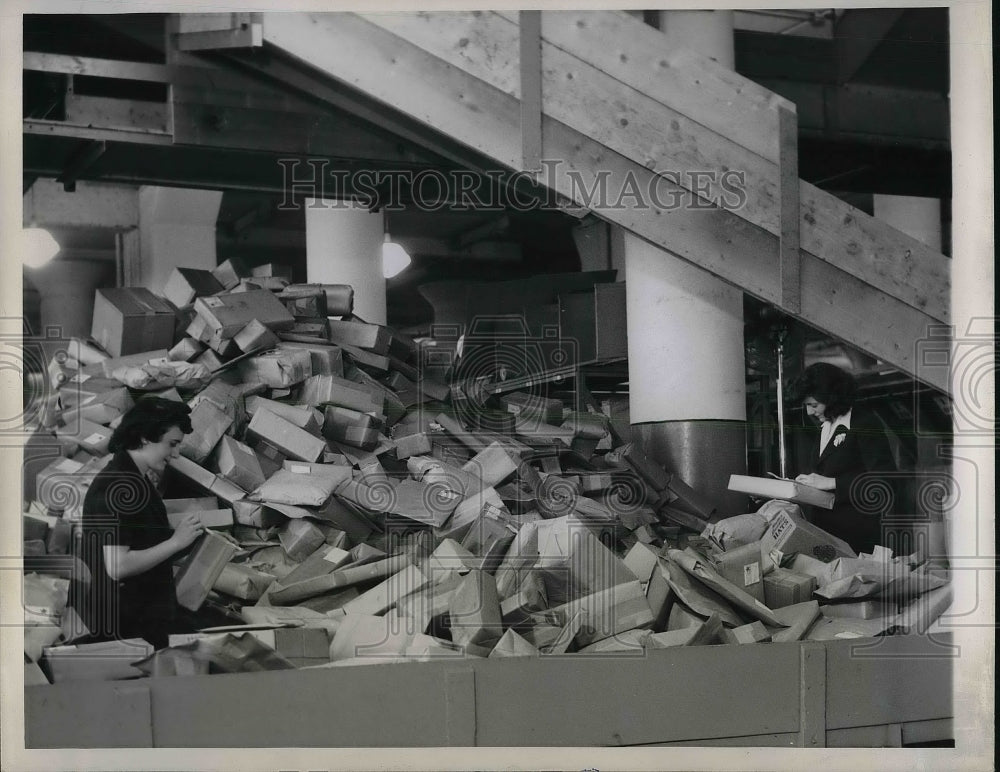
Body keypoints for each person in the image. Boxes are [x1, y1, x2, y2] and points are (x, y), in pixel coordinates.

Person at [68, 397, 203, 649]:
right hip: (123, 627)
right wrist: (176, 542)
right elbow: (118, 566)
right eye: (172, 444)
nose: (176, 454)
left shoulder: (132, 478)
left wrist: (183, 537)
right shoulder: (119, 487)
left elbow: (137, 536)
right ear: (144, 437)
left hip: (133, 615)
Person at [790, 363, 896, 554]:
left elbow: (886, 479)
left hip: (858, 534)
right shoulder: (825, 428)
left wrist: (832, 482)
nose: (809, 412)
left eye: (813, 405)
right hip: (828, 531)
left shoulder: (864, 423)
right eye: (806, 405)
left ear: (832, 398)